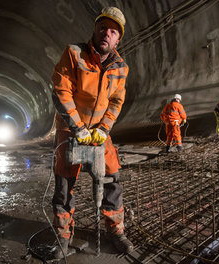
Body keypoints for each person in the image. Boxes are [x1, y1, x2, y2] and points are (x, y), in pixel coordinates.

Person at [50, 6, 133, 259]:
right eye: (102, 28)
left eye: (113, 31)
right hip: (70, 130)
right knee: (64, 184)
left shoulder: (121, 67)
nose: (106, 33)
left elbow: (117, 101)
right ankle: (64, 235)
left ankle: (116, 231)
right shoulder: (74, 54)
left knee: (112, 179)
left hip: (99, 133)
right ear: (94, 30)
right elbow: (61, 91)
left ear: (118, 38)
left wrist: (103, 129)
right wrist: (78, 128)